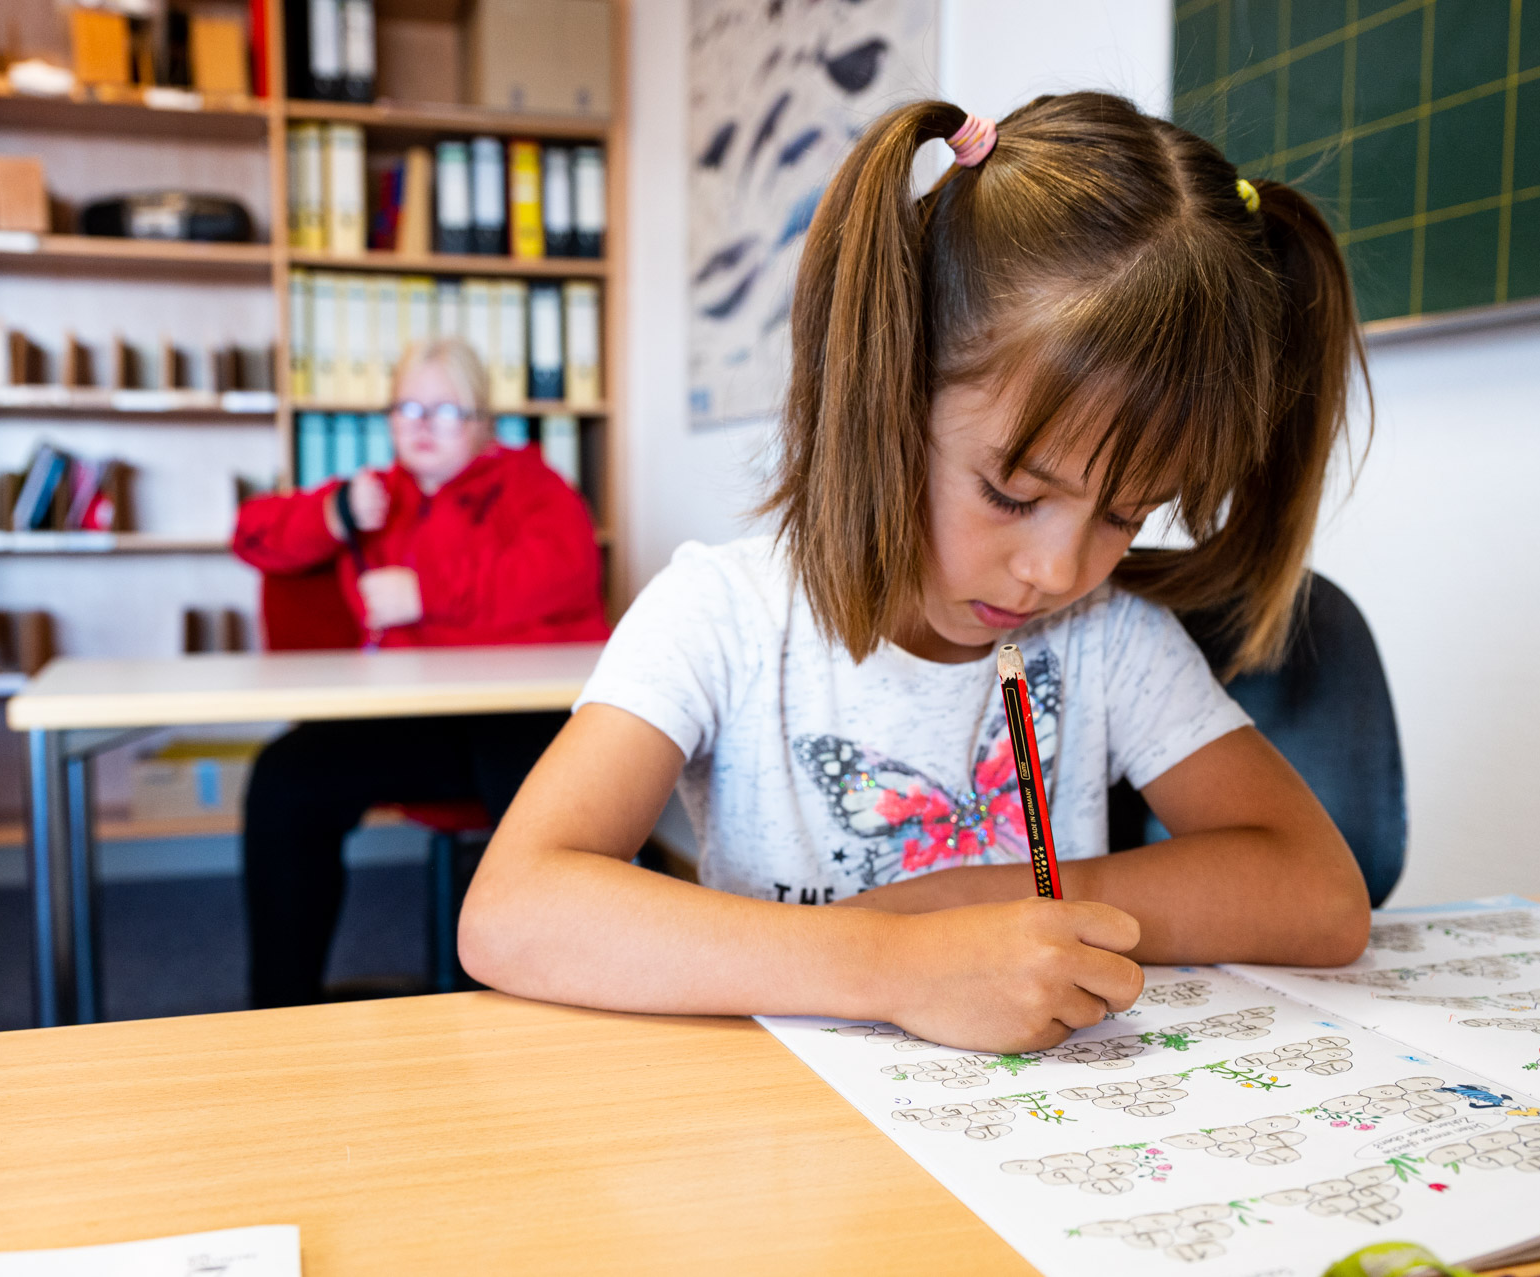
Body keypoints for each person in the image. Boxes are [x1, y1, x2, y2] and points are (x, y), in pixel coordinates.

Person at [459, 93, 1377, 1052]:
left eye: (1125, 513)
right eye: (1014, 493)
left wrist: (981, 899)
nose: (1056, 568)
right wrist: (896, 962)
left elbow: (1319, 893)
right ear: (888, 394)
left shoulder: (1105, 638)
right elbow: (513, 907)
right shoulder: (722, 614)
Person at [232, 338, 607, 1007]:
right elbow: (252, 536)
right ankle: (277, 1011)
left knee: (531, 802)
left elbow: (567, 572)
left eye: (444, 408)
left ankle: (532, 1009)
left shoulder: (530, 484)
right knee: (285, 779)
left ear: (483, 421)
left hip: (520, 715)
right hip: (414, 722)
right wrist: (334, 514)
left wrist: (427, 591)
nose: (421, 424)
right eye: (406, 407)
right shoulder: (379, 494)